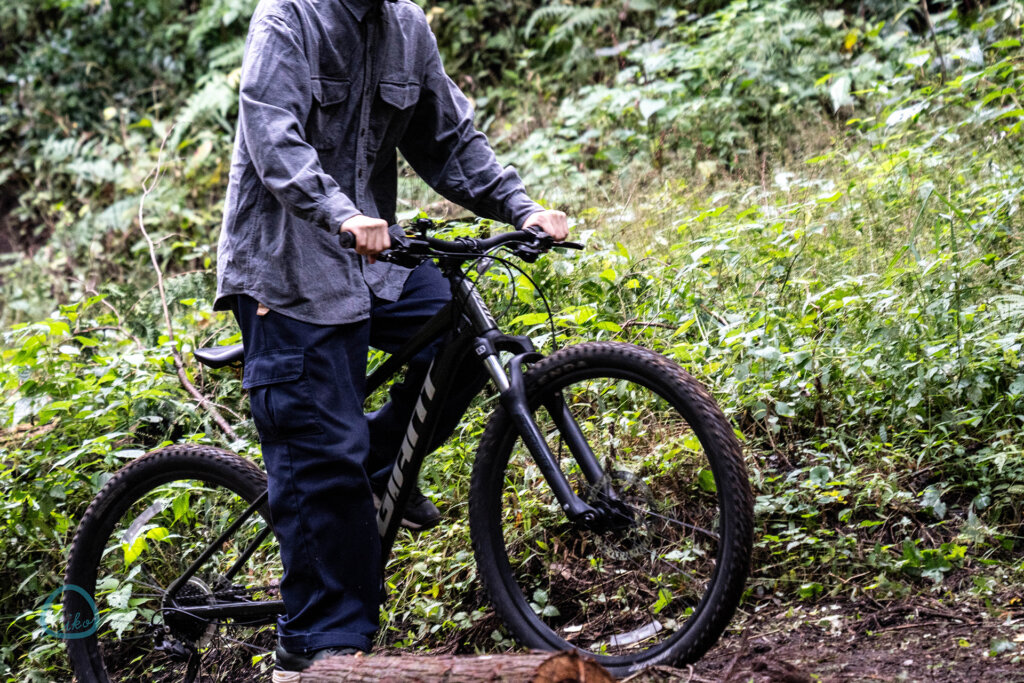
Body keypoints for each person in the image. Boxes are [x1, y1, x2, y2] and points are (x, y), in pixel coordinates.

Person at [213, 0, 568, 679]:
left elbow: (451, 141)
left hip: (371, 264)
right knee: (323, 457)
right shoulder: (287, 18)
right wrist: (342, 212)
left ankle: (376, 472)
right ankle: (315, 645)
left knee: (461, 333)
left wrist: (522, 207)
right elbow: (273, 138)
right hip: (287, 276)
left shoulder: (407, 27)